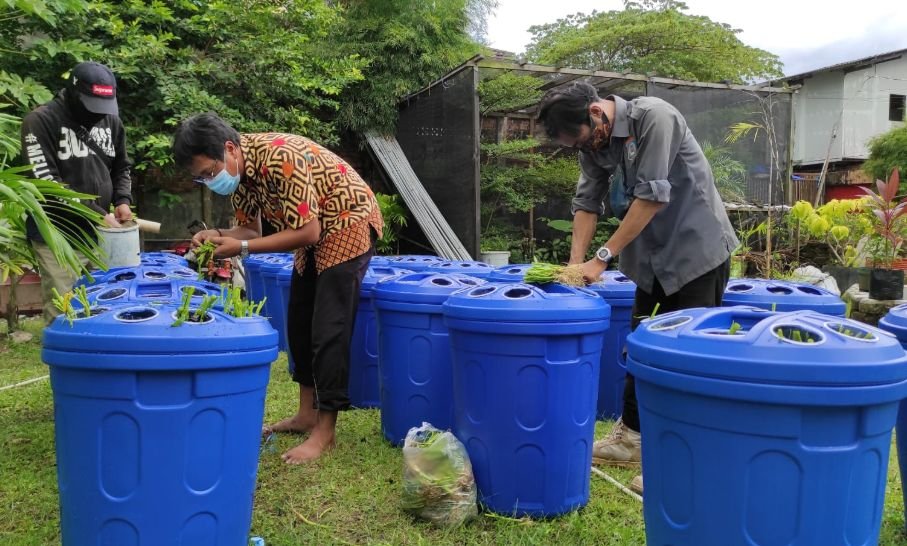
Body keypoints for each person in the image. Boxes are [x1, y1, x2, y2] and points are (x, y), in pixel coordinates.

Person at [537, 83, 738, 494]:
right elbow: (586, 202)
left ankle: (683, 459)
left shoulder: (654, 117)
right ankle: (632, 439)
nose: (581, 147)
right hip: (651, 259)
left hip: (695, 251)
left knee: (690, 355)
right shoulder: (592, 143)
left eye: (577, 137)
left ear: (596, 114)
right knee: (642, 345)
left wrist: (602, 258)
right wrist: (577, 265)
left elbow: (651, 198)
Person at [171, 113, 383, 464]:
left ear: (229, 149)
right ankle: (306, 414)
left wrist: (238, 248)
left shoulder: (282, 158)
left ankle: (325, 432)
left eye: (210, 172)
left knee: (329, 327)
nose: (211, 181)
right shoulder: (239, 174)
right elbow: (250, 232)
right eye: (202, 179)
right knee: (299, 321)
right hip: (314, 231)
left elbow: (307, 232)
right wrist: (219, 236)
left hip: (349, 221)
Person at [20, 61, 133, 323]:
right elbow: (47, 183)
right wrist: (96, 214)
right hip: (57, 235)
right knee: (65, 307)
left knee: (107, 303)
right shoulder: (40, 122)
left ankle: (101, 362)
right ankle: (65, 363)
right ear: (74, 94)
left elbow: (122, 167)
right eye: (91, 106)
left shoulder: (111, 121)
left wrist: (123, 200)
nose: (98, 114)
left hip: (102, 235)